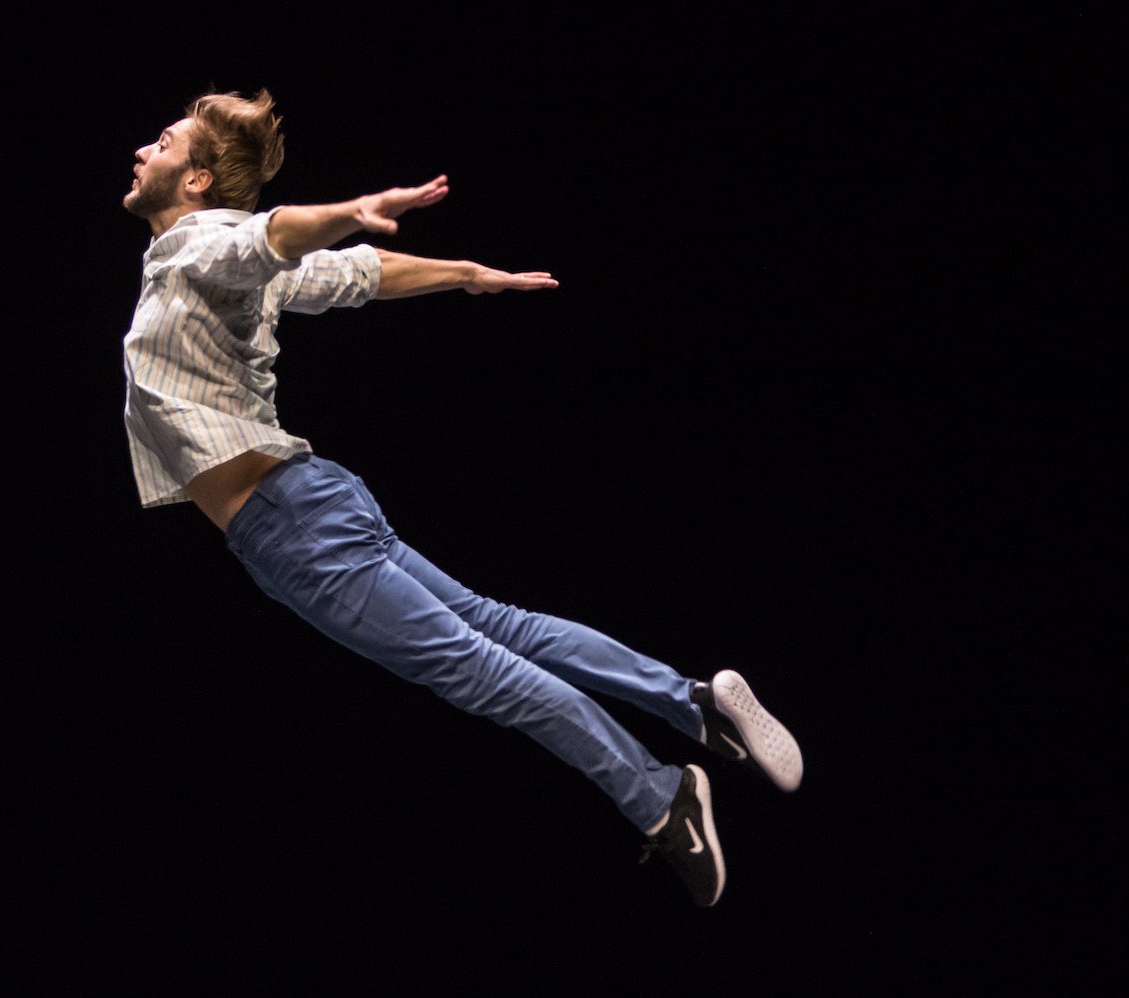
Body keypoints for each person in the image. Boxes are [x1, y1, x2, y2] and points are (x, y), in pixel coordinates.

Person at [120, 89, 802, 906]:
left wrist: (347, 208)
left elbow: (274, 233)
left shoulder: (199, 243)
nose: (141, 151)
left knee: (480, 669)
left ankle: (661, 800)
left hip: (292, 526)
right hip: (313, 501)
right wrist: (465, 274)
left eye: (160, 143)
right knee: (493, 625)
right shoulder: (217, 269)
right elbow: (356, 273)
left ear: (195, 181)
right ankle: (693, 703)